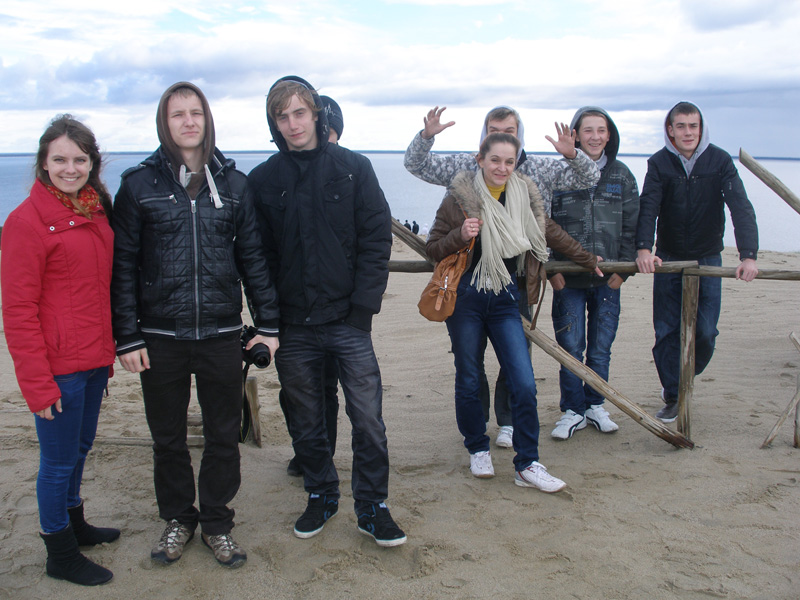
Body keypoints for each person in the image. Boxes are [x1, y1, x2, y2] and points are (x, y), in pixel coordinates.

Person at [111, 82, 279, 568]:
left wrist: (267, 325)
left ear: (207, 119)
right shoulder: (138, 185)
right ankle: (179, 519)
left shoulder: (235, 185)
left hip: (221, 334)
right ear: (164, 123)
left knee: (223, 436)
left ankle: (217, 523)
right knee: (167, 439)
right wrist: (127, 335)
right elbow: (123, 267)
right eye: (177, 114)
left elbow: (253, 259)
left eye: (195, 113)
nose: (188, 121)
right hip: (159, 336)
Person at [248, 76, 406, 548]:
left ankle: (372, 506)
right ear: (274, 124)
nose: (293, 123)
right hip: (293, 326)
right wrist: (269, 321)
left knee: (368, 419)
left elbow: (376, 240)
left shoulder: (354, 168)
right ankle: (320, 494)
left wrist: (362, 310)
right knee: (306, 421)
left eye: (300, 112)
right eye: (282, 116)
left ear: (316, 114)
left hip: (348, 322)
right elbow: (257, 259)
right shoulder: (263, 180)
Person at [405, 105, 600, 448]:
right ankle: (477, 424)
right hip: (468, 282)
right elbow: (415, 164)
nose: (502, 137)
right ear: (483, 142)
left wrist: (573, 155)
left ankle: (508, 422)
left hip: (519, 280)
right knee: (470, 361)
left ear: (519, 135)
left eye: (509, 131)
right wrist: (426, 137)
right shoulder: (465, 168)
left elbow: (587, 181)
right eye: (494, 130)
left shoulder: (538, 169)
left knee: (516, 359)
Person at [1, 115, 117, 586]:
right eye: (60, 160)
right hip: (58, 369)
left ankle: (75, 522)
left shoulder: (95, 211)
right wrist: (37, 384)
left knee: (80, 449)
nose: (71, 169)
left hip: (93, 360)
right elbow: (18, 311)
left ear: (92, 163)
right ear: (44, 163)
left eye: (80, 160)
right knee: (56, 464)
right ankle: (59, 552)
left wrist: (107, 355)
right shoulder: (26, 222)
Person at [635, 101, 758, 422]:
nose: (688, 132)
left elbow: (740, 207)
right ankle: (674, 394)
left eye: (693, 126)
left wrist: (748, 255)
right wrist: (644, 249)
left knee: (705, 332)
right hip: (669, 256)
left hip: (707, 257)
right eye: (681, 126)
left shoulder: (719, 161)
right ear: (670, 130)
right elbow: (648, 207)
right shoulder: (659, 163)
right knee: (666, 331)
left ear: (701, 129)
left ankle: (685, 376)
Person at [549, 107, 640, 439]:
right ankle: (573, 410)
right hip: (567, 278)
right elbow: (541, 221)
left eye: (601, 130)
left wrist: (624, 271)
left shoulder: (621, 175)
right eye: (588, 130)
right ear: (575, 135)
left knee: (601, 348)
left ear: (609, 134)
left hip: (609, 279)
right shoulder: (558, 173)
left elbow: (633, 224)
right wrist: (551, 270)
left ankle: (595, 405)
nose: (595, 137)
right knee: (570, 347)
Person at [282, 94, 343, 478]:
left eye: (331, 134)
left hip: (336, 307)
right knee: (294, 389)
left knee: (326, 387)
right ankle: (305, 450)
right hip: (292, 307)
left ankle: (322, 455)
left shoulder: (347, 173)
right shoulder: (283, 174)